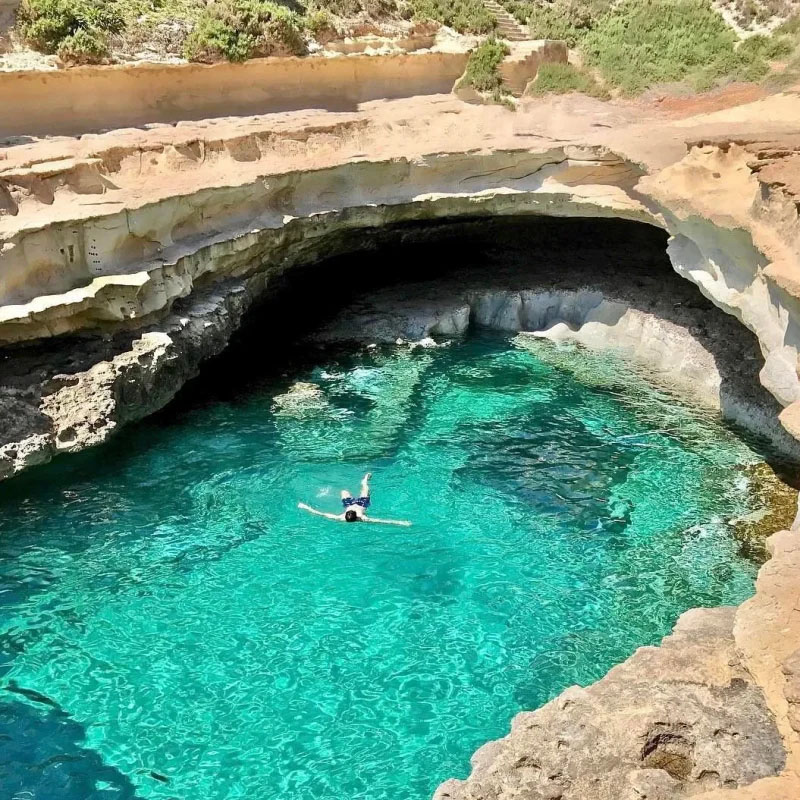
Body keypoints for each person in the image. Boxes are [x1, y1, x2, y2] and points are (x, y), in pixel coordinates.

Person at [298, 473, 411, 526]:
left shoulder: (356, 517)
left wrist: (305, 507)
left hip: (357, 504)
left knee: (357, 489)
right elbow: (381, 521)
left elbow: (320, 513)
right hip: (360, 504)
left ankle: (364, 480)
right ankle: (364, 482)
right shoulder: (355, 518)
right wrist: (401, 523)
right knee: (349, 491)